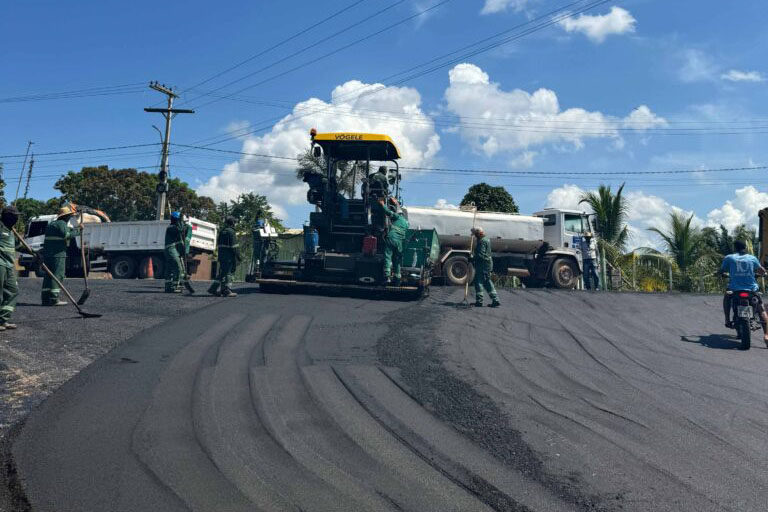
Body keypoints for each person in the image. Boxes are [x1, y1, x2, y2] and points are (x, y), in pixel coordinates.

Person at [721, 239, 768, 344]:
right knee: (761, 309)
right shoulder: (752, 258)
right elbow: (761, 270)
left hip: (735, 290)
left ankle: (727, 320)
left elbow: (722, 271)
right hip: (751, 290)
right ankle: (766, 335)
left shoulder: (729, 258)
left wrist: (721, 273)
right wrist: (764, 273)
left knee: (727, 298)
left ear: (735, 248)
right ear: (745, 248)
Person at [41, 205, 79, 306]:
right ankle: (54, 299)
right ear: (65, 216)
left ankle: (45, 299)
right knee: (57, 276)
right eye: (69, 216)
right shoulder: (62, 223)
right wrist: (78, 231)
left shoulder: (52, 224)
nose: (70, 218)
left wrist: (73, 229)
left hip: (48, 254)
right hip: (58, 255)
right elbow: (66, 235)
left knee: (48, 276)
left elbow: (65, 232)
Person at [376, 197, 408, 285]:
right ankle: (397, 279)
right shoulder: (406, 223)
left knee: (388, 256)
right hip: (399, 243)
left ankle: (387, 277)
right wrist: (397, 203)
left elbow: (388, 212)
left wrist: (382, 204)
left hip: (392, 238)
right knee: (397, 260)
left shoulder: (398, 217)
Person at [208, 216, 241, 297]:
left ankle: (214, 289)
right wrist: (238, 256)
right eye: (235, 222)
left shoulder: (222, 231)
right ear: (233, 223)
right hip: (229, 257)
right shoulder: (231, 232)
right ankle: (227, 290)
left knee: (222, 273)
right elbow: (234, 246)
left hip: (222, 256)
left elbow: (218, 244)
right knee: (228, 273)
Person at [469, 226, 500, 307]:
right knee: (487, 282)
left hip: (483, 265)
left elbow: (481, 255)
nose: (474, 236)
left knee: (478, 281)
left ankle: (479, 301)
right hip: (487, 264)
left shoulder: (482, 241)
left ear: (478, 234)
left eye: (475, 234)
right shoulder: (486, 239)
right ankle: (495, 299)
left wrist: (472, 258)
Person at [0, 206, 20, 329]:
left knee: (13, 291)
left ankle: (2, 319)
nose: (16, 218)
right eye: (14, 216)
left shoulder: (11, 230)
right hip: (0, 263)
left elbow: (17, 246)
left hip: (9, 265)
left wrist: (34, 252)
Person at [164, 212, 191, 293]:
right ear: (177, 220)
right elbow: (180, 229)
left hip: (172, 250)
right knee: (178, 267)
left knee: (169, 268)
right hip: (171, 250)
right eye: (180, 220)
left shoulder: (174, 227)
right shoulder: (172, 228)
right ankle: (174, 286)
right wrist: (181, 221)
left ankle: (168, 286)